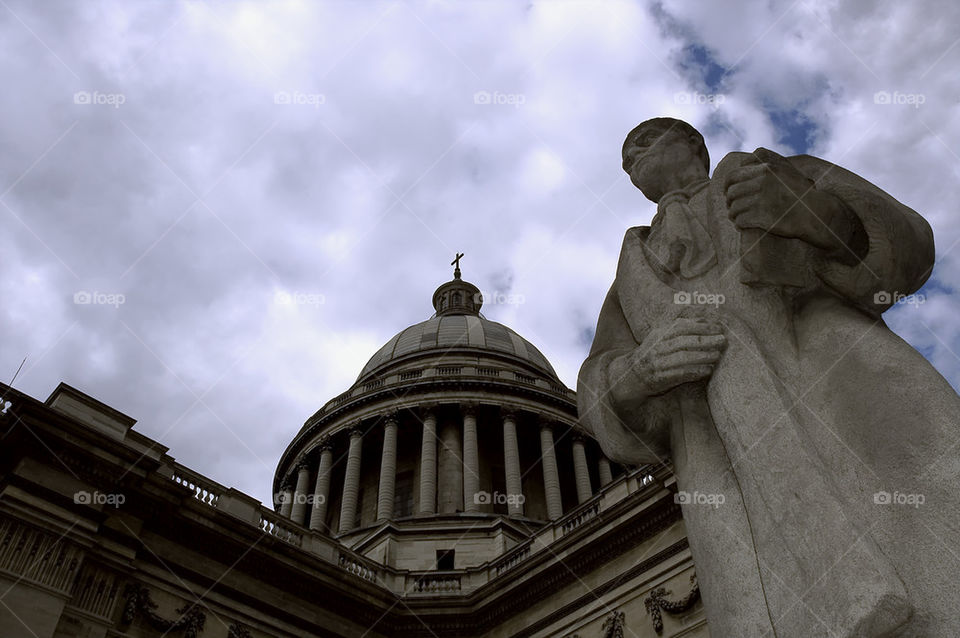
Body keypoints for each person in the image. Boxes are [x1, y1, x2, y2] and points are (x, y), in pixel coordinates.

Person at [578, 117, 959, 637]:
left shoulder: (780, 172)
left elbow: (909, 247)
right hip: (724, 457)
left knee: (935, 571)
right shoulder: (630, 271)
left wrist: (820, 216)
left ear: (693, 143)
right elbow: (598, 381)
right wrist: (638, 374)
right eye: (625, 159)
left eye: (645, 140)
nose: (632, 158)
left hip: (843, 390)